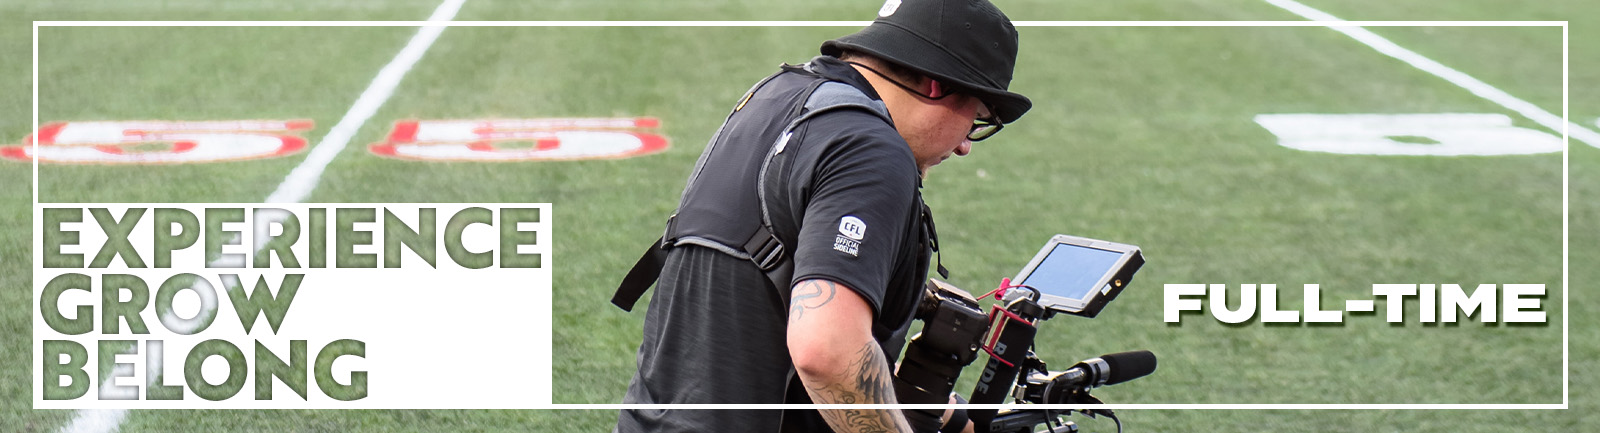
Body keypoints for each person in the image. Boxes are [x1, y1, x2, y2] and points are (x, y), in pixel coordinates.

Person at [612, 0, 1030, 431]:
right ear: (936, 84)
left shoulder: (775, 95)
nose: (965, 145)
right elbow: (828, 354)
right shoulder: (872, 149)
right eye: (979, 117)